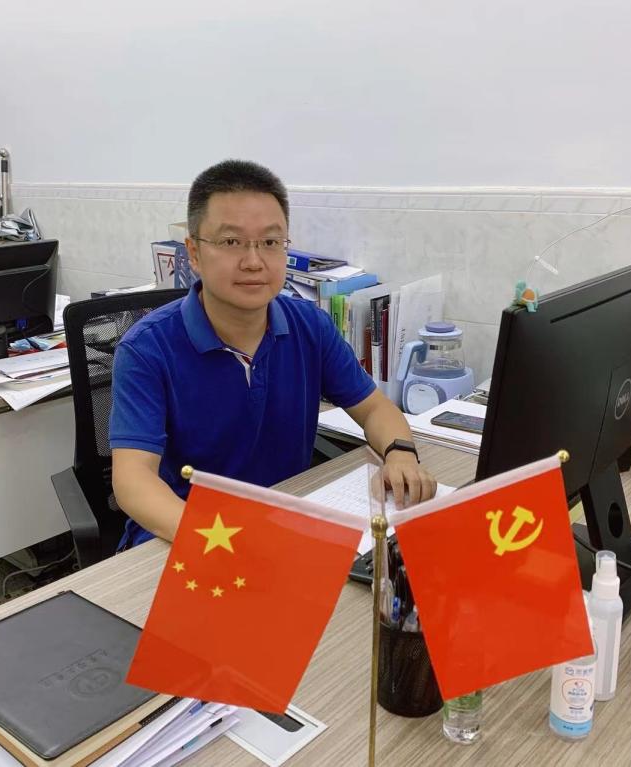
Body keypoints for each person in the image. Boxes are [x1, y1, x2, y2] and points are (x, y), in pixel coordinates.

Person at [109, 159, 437, 548]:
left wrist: (400, 454)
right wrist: (220, 541)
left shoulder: (310, 326)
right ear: (193, 253)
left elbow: (374, 409)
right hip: (184, 536)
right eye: (231, 242)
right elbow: (133, 481)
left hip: (283, 523)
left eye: (270, 242)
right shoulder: (147, 349)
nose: (254, 262)